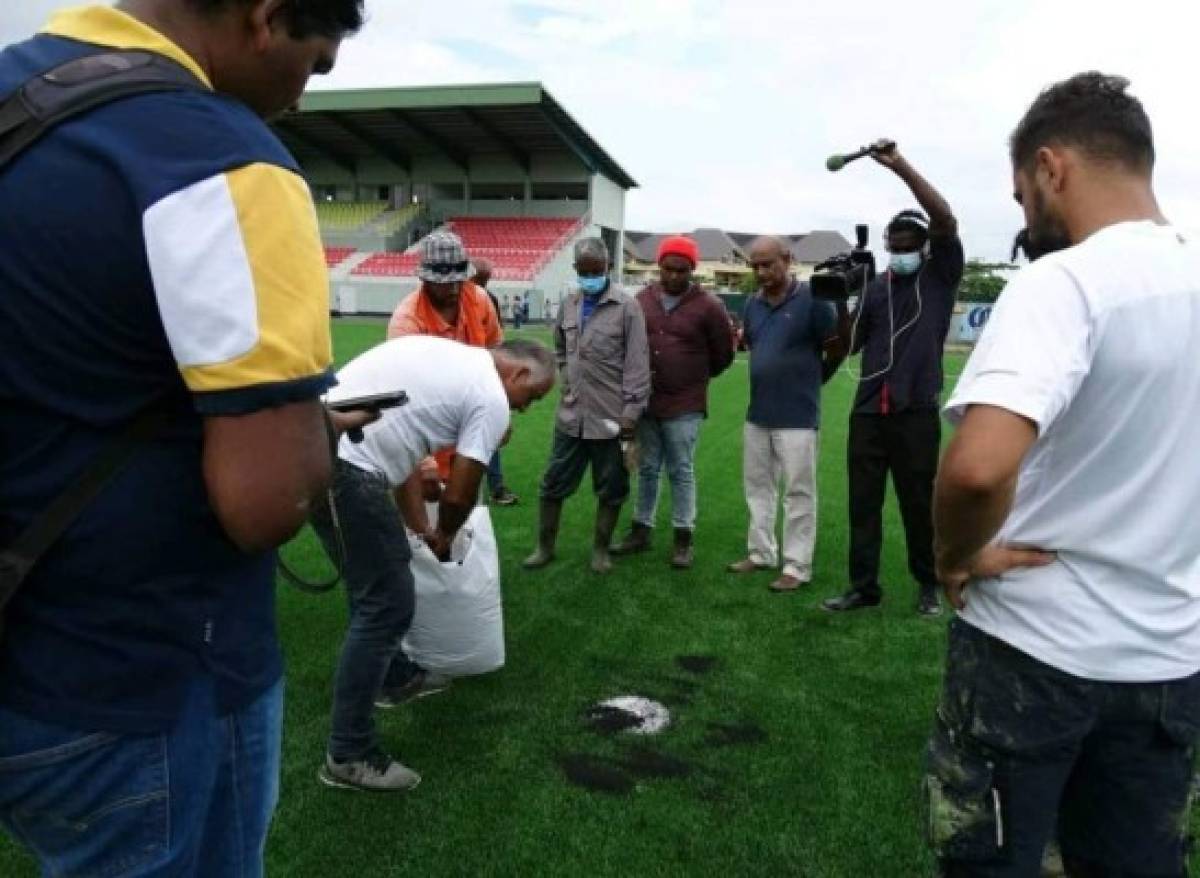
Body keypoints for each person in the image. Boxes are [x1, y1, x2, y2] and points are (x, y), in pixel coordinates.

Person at [0, 0, 365, 873]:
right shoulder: (216, 157)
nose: (304, 101)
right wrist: (313, 430)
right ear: (266, 18)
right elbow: (264, 503)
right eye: (314, 65)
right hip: (136, 680)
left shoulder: (19, 87)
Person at [925, 72, 1200, 876]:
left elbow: (977, 470)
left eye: (1020, 196)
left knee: (989, 861)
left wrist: (954, 557)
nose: (1025, 216)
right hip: (1169, 655)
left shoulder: (1067, 280)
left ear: (1052, 168)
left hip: (1034, 645)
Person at [317, 336, 556, 792]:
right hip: (345, 464)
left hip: (319, 448)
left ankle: (394, 677)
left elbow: (402, 454)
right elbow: (463, 489)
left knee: (373, 589)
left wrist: (418, 528)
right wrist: (445, 532)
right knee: (386, 605)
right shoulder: (489, 392)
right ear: (519, 374)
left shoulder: (453, 366)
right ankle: (348, 752)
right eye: (532, 397)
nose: (526, 409)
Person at [822, 141, 964, 617]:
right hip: (868, 411)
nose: (900, 253)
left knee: (917, 504)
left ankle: (928, 584)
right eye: (894, 247)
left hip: (915, 411)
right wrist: (841, 301)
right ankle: (863, 587)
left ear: (924, 247)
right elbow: (853, 344)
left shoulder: (939, 277)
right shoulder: (878, 287)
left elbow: (944, 219)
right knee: (863, 505)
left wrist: (900, 167)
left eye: (909, 246)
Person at [524, 238, 650, 574]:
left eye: (597, 271)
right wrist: (567, 379)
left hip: (612, 419)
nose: (591, 276)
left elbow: (638, 366)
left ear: (608, 267)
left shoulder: (627, 308)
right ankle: (545, 547)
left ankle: (600, 550)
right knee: (553, 482)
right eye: (585, 271)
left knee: (611, 487)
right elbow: (561, 349)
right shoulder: (569, 304)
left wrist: (630, 414)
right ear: (576, 270)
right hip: (571, 415)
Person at [727, 237, 843, 592]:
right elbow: (753, 346)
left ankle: (797, 566)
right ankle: (761, 552)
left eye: (768, 265)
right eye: (755, 266)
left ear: (788, 260)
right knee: (758, 488)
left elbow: (836, 350)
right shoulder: (752, 303)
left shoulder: (814, 300)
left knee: (798, 493)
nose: (761, 272)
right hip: (758, 413)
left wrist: (814, 381)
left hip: (798, 417)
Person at [612, 235, 734, 568]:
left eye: (682, 271)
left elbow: (724, 354)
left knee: (681, 469)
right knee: (648, 468)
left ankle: (683, 536)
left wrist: (693, 378)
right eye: (668, 269)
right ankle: (641, 529)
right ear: (659, 267)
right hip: (647, 401)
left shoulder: (709, 306)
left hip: (685, 403)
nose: (674, 276)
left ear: (692, 270)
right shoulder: (642, 299)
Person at [387, 231, 513, 503]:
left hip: (469, 437)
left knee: (467, 525)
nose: (454, 289)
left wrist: (500, 414)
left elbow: (496, 360)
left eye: (459, 280)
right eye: (444, 283)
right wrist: (424, 460)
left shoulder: (478, 300)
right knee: (425, 535)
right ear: (425, 279)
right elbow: (403, 401)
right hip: (427, 440)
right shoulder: (407, 322)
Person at [470, 257, 520, 506]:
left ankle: (496, 487)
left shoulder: (489, 301)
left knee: (488, 430)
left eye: (485, 280)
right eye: (479, 280)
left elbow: (496, 342)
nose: (482, 284)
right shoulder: (460, 300)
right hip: (463, 377)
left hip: (483, 375)